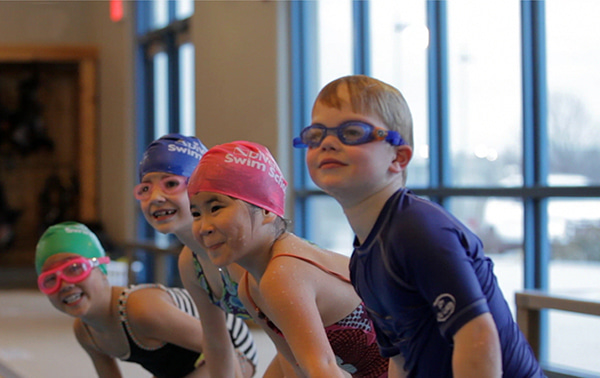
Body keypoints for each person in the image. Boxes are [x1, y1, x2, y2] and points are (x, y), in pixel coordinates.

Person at [293, 74, 544, 377]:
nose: (328, 143)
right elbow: (400, 360)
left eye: (353, 131)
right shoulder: (362, 261)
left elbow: (477, 335)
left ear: (399, 157)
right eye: (315, 135)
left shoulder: (417, 230)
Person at [187, 140, 389, 378]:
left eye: (216, 208)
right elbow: (294, 366)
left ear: (266, 211)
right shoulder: (249, 288)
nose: (203, 227)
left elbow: (321, 369)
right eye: (196, 213)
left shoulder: (283, 272)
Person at [35, 221, 251, 378]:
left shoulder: (139, 309)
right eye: (50, 279)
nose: (65, 284)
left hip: (234, 351)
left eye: (75, 269)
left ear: (102, 269)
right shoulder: (85, 332)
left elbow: (224, 351)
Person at [135, 134, 259, 378]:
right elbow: (216, 343)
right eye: (145, 187)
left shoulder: (243, 251)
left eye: (170, 184)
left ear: (201, 187)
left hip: (337, 345)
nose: (156, 198)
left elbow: (299, 343)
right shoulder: (190, 263)